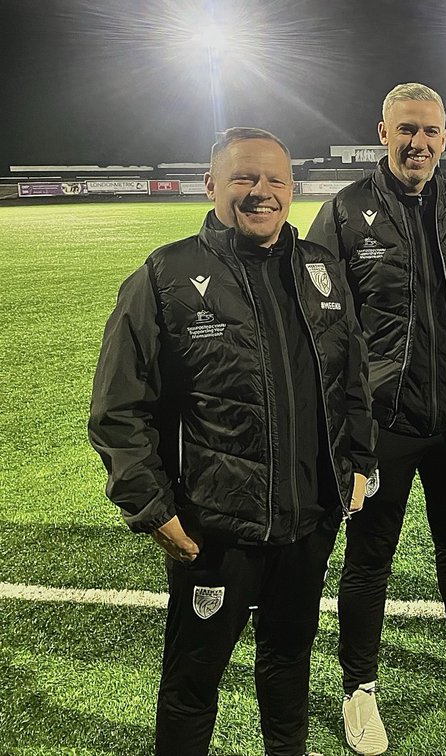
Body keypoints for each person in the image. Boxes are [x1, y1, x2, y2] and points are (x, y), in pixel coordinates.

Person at [89, 127, 374, 756]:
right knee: (193, 682)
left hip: (307, 522)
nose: (262, 192)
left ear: (292, 188)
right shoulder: (166, 276)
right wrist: (153, 507)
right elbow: (117, 409)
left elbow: (350, 382)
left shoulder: (321, 269)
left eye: (275, 179)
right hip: (214, 533)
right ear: (212, 185)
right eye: (244, 178)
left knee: (288, 665)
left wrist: (358, 463)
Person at [307, 82, 446, 754]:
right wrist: (344, 420)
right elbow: (318, 325)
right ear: (382, 132)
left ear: (445, 137)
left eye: (430, 131)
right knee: (371, 558)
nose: (419, 143)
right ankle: (360, 689)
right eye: (407, 130)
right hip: (380, 428)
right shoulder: (344, 214)